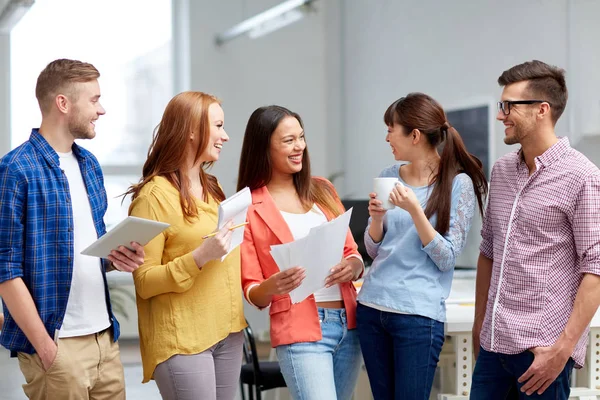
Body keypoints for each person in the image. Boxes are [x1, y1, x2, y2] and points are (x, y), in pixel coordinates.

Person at [0, 59, 145, 400]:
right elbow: (5, 268)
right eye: (94, 100)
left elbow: (83, 252)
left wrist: (115, 257)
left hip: (104, 340)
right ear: (63, 103)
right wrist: (46, 348)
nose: (102, 110)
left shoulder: (89, 165)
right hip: (57, 344)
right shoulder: (15, 170)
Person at [470, 60, 600, 399]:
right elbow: (488, 251)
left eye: (509, 106)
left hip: (542, 356)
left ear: (542, 110)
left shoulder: (582, 176)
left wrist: (563, 350)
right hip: (492, 348)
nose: (501, 115)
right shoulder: (501, 172)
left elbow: (596, 267)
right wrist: (479, 323)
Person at [357, 92, 488, 399]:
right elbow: (374, 251)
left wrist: (416, 210)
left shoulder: (458, 184)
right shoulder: (389, 176)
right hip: (372, 307)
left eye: (392, 129)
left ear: (414, 135)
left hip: (418, 316)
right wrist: (376, 220)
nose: (387, 137)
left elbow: (447, 258)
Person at [237, 105, 364, 400]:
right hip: (300, 329)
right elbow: (251, 290)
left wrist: (353, 265)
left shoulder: (323, 190)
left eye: (301, 137)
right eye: (288, 140)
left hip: (350, 325)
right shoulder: (248, 206)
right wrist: (273, 285)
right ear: (264, 147)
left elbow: (352, 252)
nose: (299, 147)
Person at [125, 91, 246, 400]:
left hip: (228, 331)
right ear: (192, 130)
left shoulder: (213, 188)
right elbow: (144, 282)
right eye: (218, 126)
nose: (226, 136)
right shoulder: (153, 197)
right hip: (183, 337)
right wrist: (199, 257)